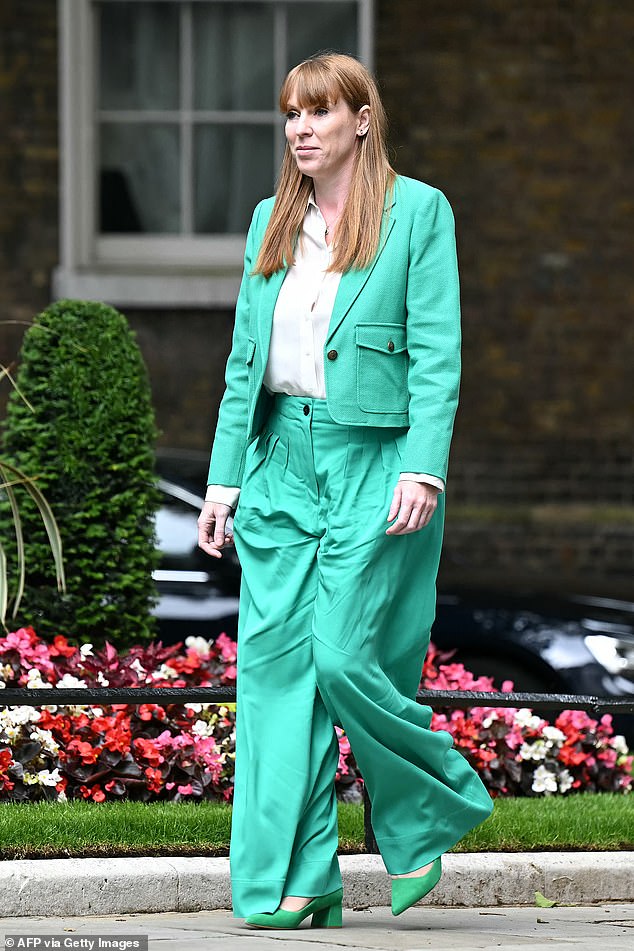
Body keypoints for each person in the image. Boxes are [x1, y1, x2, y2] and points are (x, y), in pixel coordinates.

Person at [197, 52, 493, 930]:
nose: (301, 129)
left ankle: (427, 807)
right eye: (291, 113)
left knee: (343, 654)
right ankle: (298, 877)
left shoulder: (419, 213)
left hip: (376, 458)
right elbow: (246, 359)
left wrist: (423, 464)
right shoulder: (269, 223)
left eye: (319, 113)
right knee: (277, 675)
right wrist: (223, 478)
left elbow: (438, 353)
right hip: (279, 460)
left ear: (362, 119)